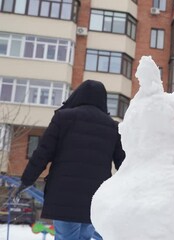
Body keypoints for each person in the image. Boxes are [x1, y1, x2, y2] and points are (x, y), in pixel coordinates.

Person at [11, 80, 125, 240]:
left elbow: (42, 153)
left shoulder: (63, 118)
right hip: (95, 198)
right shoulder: (112, 127)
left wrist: (26, 180)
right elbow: (124, 163)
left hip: (63, 195)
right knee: (85, 236)